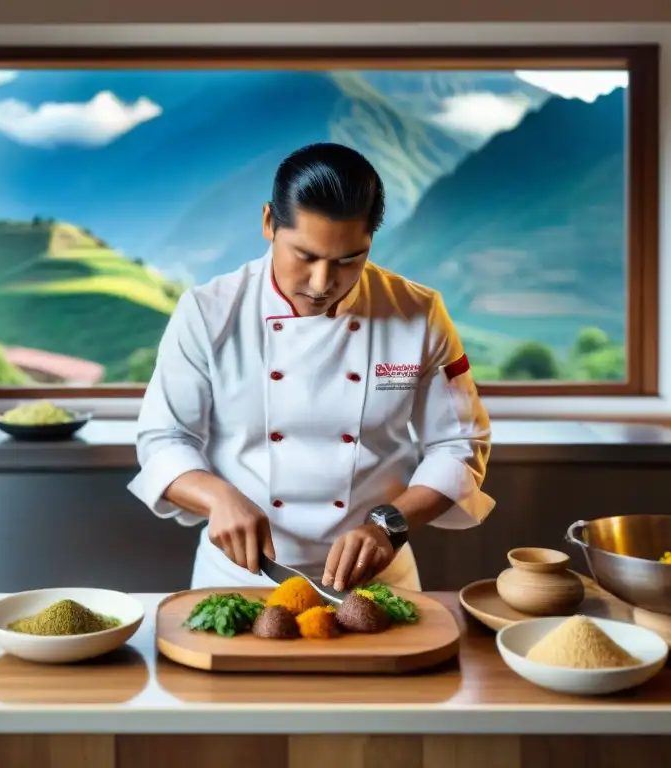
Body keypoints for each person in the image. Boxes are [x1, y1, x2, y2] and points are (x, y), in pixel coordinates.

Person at [128, 142, 495, 592]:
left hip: (377, 581)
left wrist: (389, 525)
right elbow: (164, 438)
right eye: (305, 256)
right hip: (242, 579)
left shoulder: (417, 313)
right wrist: (217, 497)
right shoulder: (208, 312)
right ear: (268, 223)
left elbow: (459, 445)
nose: (322, 284)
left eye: (348, 260)